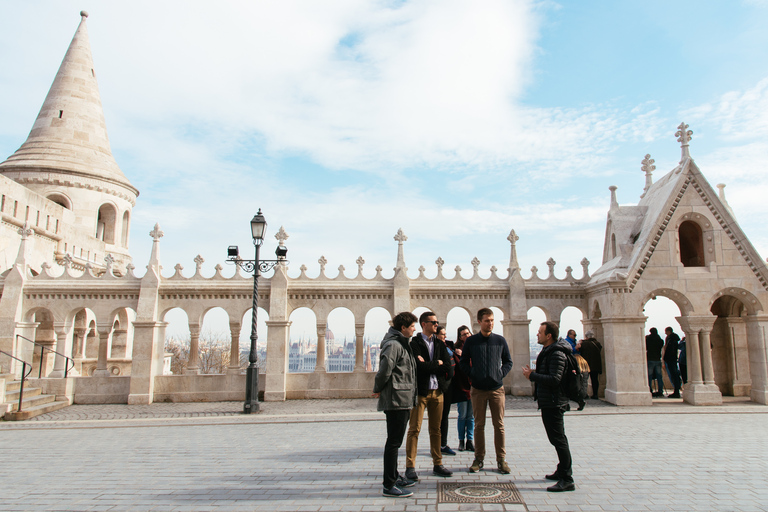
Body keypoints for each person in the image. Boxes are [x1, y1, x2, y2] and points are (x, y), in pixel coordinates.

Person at [522, 321, 576, 492]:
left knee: (559, 439)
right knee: (556, 438)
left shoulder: (557, 354)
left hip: (554, 401)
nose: (537, 335)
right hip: (549, 401)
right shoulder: (549, 351)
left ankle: (567, 478)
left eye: (539, 332)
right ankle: (561, 470)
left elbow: (554, 379)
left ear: (549, 335)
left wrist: (532, 376)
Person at [459, 308, 513, 475]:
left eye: (492, 320)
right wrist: (473, 374)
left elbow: (508, 362)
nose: (490, 323)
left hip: (497, 389)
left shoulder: (500, 340)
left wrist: (500, 374)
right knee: (479, 425)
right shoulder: (471, 341)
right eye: (487, 320)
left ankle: (501, 460)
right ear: (479, 322)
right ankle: (479, 458)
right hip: (478, 389)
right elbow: (463, 363)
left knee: (499, 425)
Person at [373, 311, 419, 498]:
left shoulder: (401, 343)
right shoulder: (393, 345)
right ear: (403, 328)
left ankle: (394, 476)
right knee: (393, 442)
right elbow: (385, 370)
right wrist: (378, 388)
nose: (414, 330)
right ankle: (389, 484)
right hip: (396, 400)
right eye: (412, 326)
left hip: (402, 398)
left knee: (395, 441)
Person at [405, 311, 454, 480]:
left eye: (437, 321)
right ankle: (410, 467)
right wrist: (436, 364)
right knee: (414, 429)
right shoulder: (415, 343)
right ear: (424, 324)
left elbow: (447, 366)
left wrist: (429, 364)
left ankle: (438, 463)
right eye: (433, 322)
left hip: (438, 391)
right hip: (421, 392)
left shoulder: (440, 344)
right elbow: (419, 367)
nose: (436, 324)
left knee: (436, 430)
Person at [452, 325, 474, 451]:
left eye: (468, 333)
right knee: (462, 415)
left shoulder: (474, 348)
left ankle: (470, 440)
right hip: (462, 386)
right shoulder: (456, 350)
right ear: (459, 337)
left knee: (471, 416)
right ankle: (461, 440)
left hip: (473, 386)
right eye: (463, 334)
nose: (466, 336)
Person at [436, 326, 457, 456]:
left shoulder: (449, 345)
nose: (444, 336)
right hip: (441, 385)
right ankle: (440, 444)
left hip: (450, 385)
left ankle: (442, 443)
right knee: (440, 417)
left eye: (445, 334)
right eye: (442, 334)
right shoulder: (436, 347)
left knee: (445, 415)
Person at [576, 331, 602, 399]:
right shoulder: (597, 343)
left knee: (584, 380)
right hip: (595, 365)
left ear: (586, 336)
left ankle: (584, 394)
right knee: (595, 380)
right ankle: (595, 394)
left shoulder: (584, 344)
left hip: (586, 365)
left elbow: (579, 350)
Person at [663, 327, 681, 398]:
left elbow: (670, 350)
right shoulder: (673, 339)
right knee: (674, 375)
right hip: (672, 359)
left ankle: (676, 391)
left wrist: (666, 358)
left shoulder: (671, 339)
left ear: (669, 331)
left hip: (671, 359)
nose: (665, 333)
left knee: (674, 375)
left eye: (666, 331)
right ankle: (676, 391)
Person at [646, 327, 664, 397]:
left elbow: (646, 347)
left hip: (650, 359)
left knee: (649, 376)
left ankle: (650, 389)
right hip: (657, 359)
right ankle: (660, 391)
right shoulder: (660, 340)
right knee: (659, 376)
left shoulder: (649, 339)